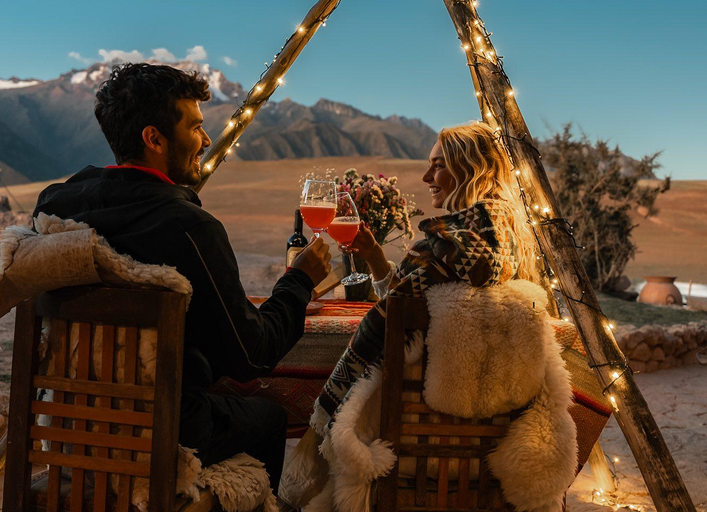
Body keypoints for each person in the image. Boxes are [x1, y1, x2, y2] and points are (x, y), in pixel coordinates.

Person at [33, 63, 332, 491]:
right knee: (268, 417)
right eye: (195, 126)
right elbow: (251, 357)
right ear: (154, 138)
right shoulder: (187, 226)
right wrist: (299, 281)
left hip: (68, 425)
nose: (207, 140)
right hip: (160, 436)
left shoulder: (54, 206)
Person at [280, 122, 578, 511]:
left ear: (475, 168)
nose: (426, 177)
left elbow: (392, 316)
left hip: (403, 444)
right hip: (494, 445)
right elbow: (405, 303)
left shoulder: (447, 244)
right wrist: (373, 255)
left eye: (437, 165)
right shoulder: (515, 241)